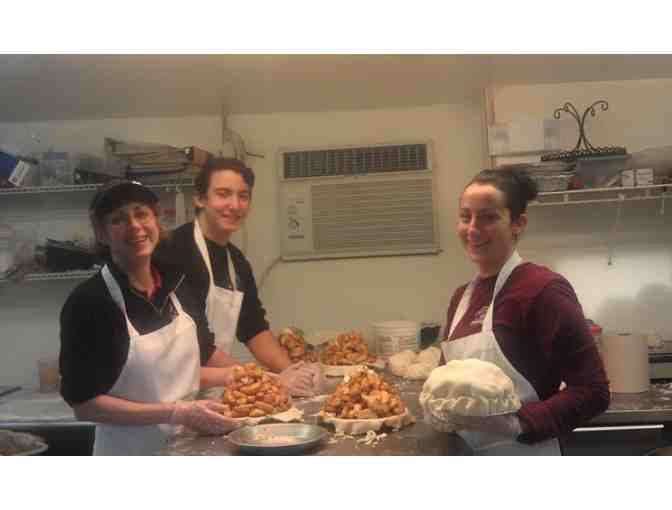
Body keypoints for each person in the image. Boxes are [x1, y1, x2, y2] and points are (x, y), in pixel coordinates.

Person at [429, 168, 610, 455]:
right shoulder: (460, 298)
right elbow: (446, 379)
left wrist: (517, 425)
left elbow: (593, 392)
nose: (473, 229)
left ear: (517, 223)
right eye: (466, 217)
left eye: (488, 217)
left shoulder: (543, 290)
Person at [59, 180, 242, 455]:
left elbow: (194, 362)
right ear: (101, 233)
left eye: (141, 213)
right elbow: (84, 405)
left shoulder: (177, 283)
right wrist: (176, 412)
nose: (134, 226)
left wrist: (248, 376)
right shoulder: (90, 303)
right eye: (118, 220)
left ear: (157, 219)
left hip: (191, 446)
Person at [157, 158, 318, 396]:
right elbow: (197, 344)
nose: (234, 205)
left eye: (243, 196)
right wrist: (268, 380)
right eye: (223, 194)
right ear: (200, 198)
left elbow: (254, 328)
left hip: (207, 394)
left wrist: (293, 373)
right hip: (166, 396)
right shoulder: (173, 251)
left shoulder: (237, 262)